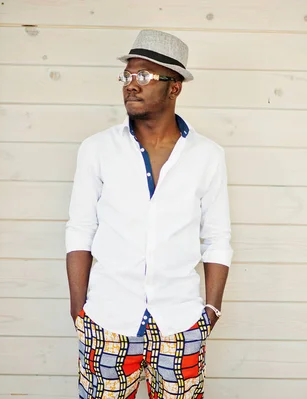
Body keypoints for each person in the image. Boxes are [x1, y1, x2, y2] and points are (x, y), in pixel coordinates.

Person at [65, 29, 233, 399]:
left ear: (175, 88)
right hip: (107, 322)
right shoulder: (96, 150)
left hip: (181, 325)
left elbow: (217, 239)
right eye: (127, 76)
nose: (130, 85)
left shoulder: (207, 156)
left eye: (144, 76)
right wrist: (81, 312)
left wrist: (211, 311)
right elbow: (80, 229)